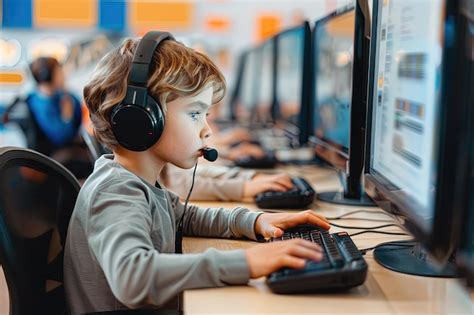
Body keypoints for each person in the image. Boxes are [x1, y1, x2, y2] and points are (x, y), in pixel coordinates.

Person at [64, 31, 330, 313]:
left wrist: (255, 221)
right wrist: (248, 263)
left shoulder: (138, 183)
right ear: (142, 119)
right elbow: (133, 278)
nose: (208, 129)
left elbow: (185, 217)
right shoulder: (117, 192)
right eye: (195, 114)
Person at [27, 56, 92, 179]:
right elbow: (61, 137)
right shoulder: (40, 103)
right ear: (49, 76)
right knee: (91, 163)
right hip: (54, 155)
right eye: (59, 72)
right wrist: (67, 115)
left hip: (65, 148)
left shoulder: (58, 96)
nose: (63, 75)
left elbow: (77, 109)